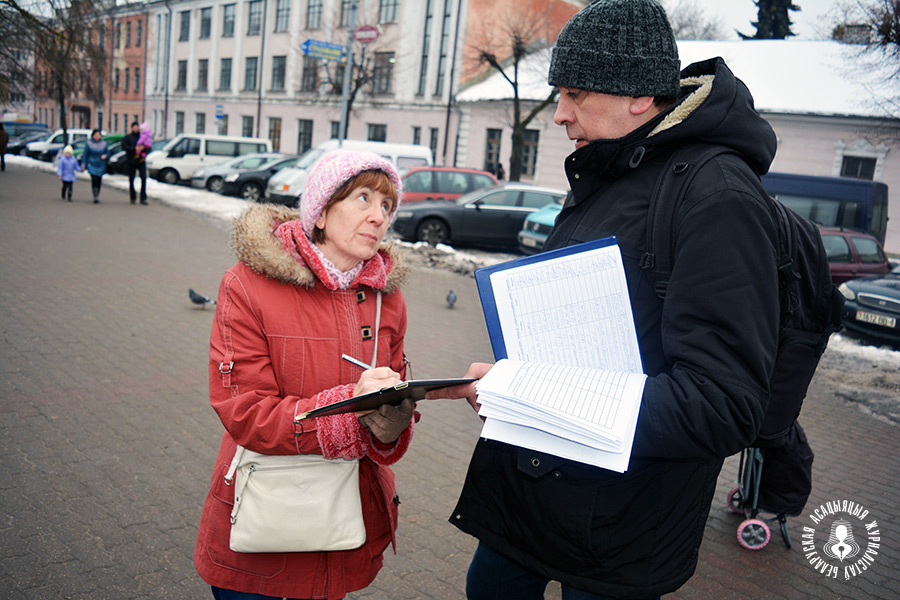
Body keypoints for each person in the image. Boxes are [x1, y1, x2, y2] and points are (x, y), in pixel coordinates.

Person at [433, 1, 781, 599]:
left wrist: (529, 395)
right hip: (532, 492)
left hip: (621, 523)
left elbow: (721, 405)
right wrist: (518, 385)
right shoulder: (609, 168)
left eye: (573, 93)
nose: (560, 114)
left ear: (639, 97)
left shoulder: (718, 199)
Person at [194, 149, 417, 600]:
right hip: (261, 535)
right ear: (320, 211)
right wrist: (348, 412)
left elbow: (391, 396)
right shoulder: (247, 284)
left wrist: (391, 425)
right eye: (362, 198)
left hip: (342, 526)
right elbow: (245, 411)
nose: (378, 216)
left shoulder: (385, 299)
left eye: (387, 205)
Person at [121, 121, 148, 204]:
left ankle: (143, 197)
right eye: (134, 127)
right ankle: (133, 197)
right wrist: (134, 149)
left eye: (137, 127)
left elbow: (149, 147)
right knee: (131, 179)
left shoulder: (143, 137)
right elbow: (124, 147)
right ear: (132, 128)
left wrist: (143, 149)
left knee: (143, 178)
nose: (136, 128)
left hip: (141, 160)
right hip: (131, 160)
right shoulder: (128, 137)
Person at [81, 129, 108, 203]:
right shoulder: (89, 144)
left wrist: (105, 156)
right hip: (92, 164)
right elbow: (85, 155)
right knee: (94, 179)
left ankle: (97, 194)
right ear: (93, 136)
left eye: (98, 135)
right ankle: (95, 195)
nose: (97, 136)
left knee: (99, 180)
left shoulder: (104, 144)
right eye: (96, 135)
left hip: (101, 165)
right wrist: (83, 165)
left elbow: (108, 153)